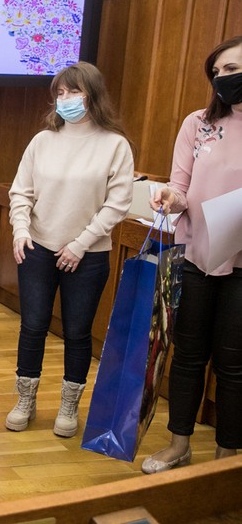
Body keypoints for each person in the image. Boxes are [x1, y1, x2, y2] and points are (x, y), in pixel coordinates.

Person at [7, 61, 134, 437]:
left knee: (78, 332)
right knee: (33, 327)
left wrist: (81, 244)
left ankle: (68, 404)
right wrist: (20, 228)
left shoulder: (115, 145)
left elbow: (117, 204)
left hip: (88, 254)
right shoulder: (42, 141)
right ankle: (25, 399)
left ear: (92, 95)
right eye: (60, 93)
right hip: (38, 247)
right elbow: (21, 191)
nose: (65, 99)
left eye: (73, 91)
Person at [141, 36, 242, 474]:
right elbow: (180, 188)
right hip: (197, 255)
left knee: (234, 365)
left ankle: (226, 458)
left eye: (233, 69)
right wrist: (169, 197)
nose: (224, 78)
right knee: (187, 355)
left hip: (240, 266)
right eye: (217, 72)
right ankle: (179, 444)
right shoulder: (197, 123)